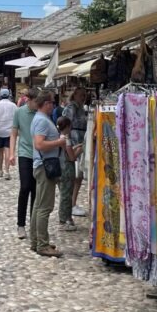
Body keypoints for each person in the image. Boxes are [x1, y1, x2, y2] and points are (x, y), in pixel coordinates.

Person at [30, 91, 67, 257]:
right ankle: (42, 244)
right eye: (52, 102)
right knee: (44, 207)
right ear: (46, 103)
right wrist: (59, 142)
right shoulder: (42, 121)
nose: (54, 105)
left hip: (42, 166)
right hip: (46, 167)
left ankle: (36, 240)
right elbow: (39, 144)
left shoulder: (40, 119)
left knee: (38, 206)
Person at [9, 87, 38, 239]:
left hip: (39, 155)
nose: (36, 104)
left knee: (36, 190)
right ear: (29, 100)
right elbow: (14, 133)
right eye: (35, 102)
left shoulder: (40, 113)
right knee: (25, 187)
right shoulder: (19, 112)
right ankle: (21, 225)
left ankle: (33, 224)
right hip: (25, 154)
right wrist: (12, 153)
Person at [61, 87, 89, 220]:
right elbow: (66, 126)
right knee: (75, 176)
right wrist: (70, 144)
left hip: (79, 142)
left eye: (84, 95)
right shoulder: (72, 108)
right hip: (74, 142)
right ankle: (71, 204)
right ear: (74, 95)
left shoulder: (81, 107)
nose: (83, 97)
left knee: (78, 176)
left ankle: (72, 203)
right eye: (80, 95)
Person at [56, 116, 84, 231]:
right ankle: (64, 219)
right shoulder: (66, 139)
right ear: (67, 126)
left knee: (64, 193)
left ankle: (65, 218)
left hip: (60, 167)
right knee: (66, 195)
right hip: (67, 168)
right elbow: (71, 157)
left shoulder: (59, 136)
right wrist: (80, 150)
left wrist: (76, 146)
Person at [0, 88, 16, 180]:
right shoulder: (13, 105)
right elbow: (16, 119)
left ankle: (0, 170)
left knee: (0, 151)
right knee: (7, 150)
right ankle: (7, 171)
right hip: (10, 131)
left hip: (0, 131)